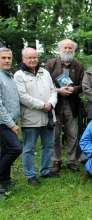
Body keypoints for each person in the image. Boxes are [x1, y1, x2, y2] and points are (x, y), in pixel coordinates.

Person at [14, 47, 58, 186]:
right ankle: (30, 175)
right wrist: (42, 105)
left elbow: (53, 90)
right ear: (23, 59)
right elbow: (23, 97)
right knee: (29, 148)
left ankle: (45, 170)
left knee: (48, 145)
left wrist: (50, 103)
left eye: (35, 57)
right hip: (31, 118)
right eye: (29, 58)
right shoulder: (19, 75)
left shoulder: (44, 72)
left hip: (49, 116)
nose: (33, 60)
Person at [45, 39, 84, 174]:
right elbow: (45, 84)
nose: (67, 50)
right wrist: (58, 90)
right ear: (60, 49)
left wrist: (73, 90)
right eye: (65, 48)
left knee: (72, 133)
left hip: (71, 103)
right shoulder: (51, 63)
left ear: (74, 50)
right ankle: (56, 160)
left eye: (70, 48)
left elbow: (82, 85)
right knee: (54, 134)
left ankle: (71, 160)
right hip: (55, 103)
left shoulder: (78, 65)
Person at [0, 48, 22, 194]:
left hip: (10, 121)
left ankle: (5, 182)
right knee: (15, 148)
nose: (7, 60)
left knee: (6, 151)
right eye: (3, 58)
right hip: (3, 123)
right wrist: (12, 124)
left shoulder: (9, 76)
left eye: (9, 58)